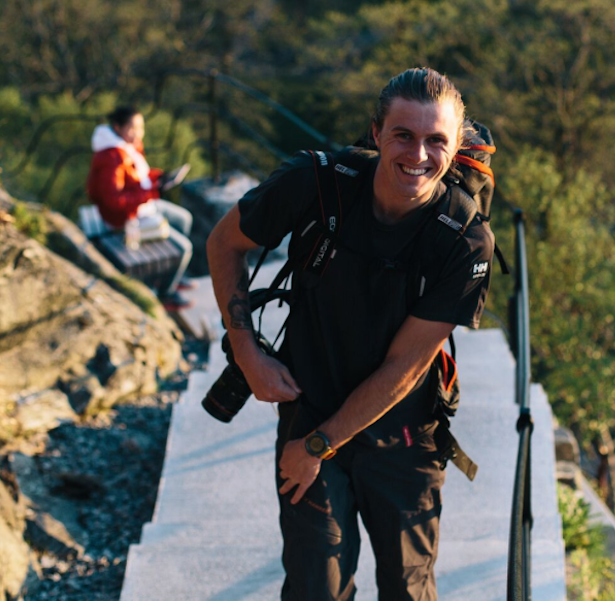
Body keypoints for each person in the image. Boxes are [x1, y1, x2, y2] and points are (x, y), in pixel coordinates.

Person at [206, 68, 494, 600]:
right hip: (311, 406)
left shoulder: (465, 241)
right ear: (377, 132)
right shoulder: (319, 183)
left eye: (437, 141)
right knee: (317, 587)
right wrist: (247, 353)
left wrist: (318, 445)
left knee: (407, 590)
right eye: (403, 135)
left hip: (405, 434)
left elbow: (404, 369)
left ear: (455, 149)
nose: (419, 154)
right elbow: (225, 243)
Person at [87, 105, 194, 310]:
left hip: (141, 204)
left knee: (183, 219)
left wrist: (159, 178)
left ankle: (170, 275)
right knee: (185, 248)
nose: (138, 133)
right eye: (133, 128)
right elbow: (113, 200)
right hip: (125, 218)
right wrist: (152, 192)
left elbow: (137, 176)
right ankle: (165, 294)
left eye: (140, 127)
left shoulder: (128, 146)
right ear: (117, 128)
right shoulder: (112, 157)